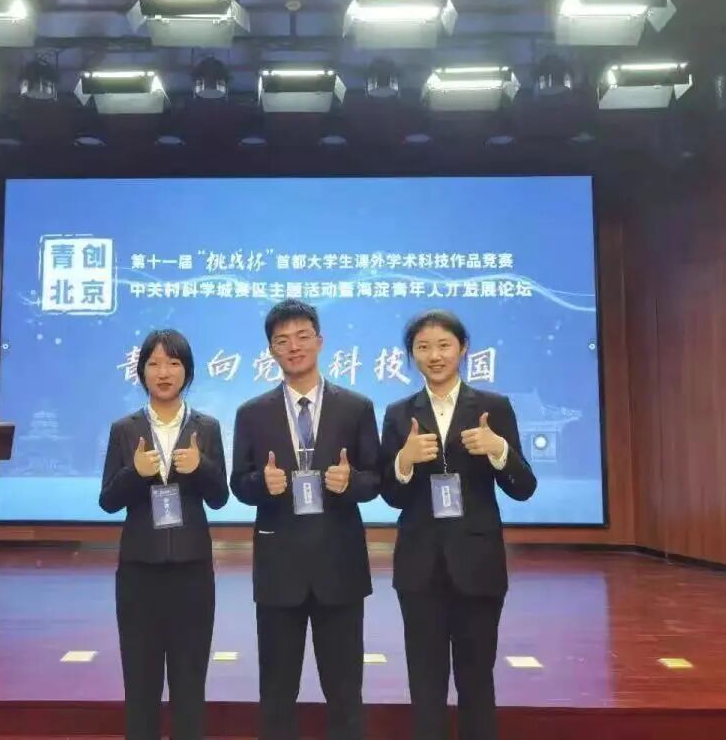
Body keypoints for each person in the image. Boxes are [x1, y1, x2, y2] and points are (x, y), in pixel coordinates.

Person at [379, 310, 537, 740]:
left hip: (478, 564)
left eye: (444, 345)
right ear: (411, 355)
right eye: (423, 347)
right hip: (420, 566)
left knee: (476, 679)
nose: (434, 355)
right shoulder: (398, 414)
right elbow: (390, 495)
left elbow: (524, 488)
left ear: (462, 349)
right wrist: (404, 461)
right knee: (425, 681)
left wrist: (499, 449)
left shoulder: (492, 407)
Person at [231, 299, 381, 740]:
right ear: (271, 351)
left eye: (302, 337)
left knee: (345, 690)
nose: (293, 347)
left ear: (320, 341)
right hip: (279, 567)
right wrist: (263, 483)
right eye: (282, 340)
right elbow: (238, 483)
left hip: (339, 565)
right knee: (277, 692)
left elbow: (376, 479)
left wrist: (350, 482)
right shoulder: (251, 413)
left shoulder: (356, 407)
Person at [99, 329, 230, 740]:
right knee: (141, 684)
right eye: (154, 363)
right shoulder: (125, 429)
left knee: (190, 684)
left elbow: (220, 498)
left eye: (173, 363)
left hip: (192, 572)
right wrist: (134, 473)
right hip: (139, 573)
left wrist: (201, 468)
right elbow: (108, 500)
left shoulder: (207, 427)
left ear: (187, 371)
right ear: (141, 372)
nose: (163, 372)